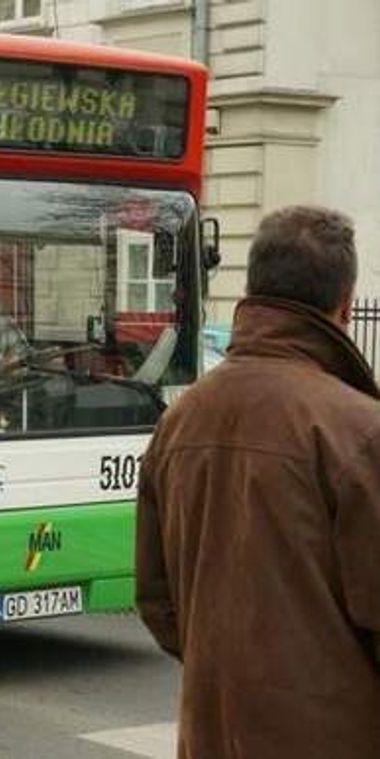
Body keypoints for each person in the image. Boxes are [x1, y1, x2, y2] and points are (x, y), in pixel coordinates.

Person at [136, 206, 380, 758]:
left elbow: (157, 599)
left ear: (252, 287)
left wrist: (233, 675)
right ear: (344, 303)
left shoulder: (180, 419)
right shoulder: (359, 431)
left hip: (212, 733)